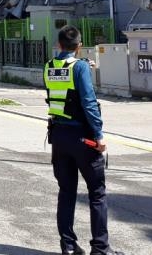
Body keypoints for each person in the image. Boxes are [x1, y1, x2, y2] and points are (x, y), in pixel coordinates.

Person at [44, 25, 123, 255]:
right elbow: (88, 103)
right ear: (79, 47)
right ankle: (100, 248)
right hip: (82, 138)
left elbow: (60, 90)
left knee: (66, 191)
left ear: (58, 45)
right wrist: (99, 135)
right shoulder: (79, 68)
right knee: (97, 193)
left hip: (58, 136)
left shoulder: (48, 67)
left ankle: (68, 246)